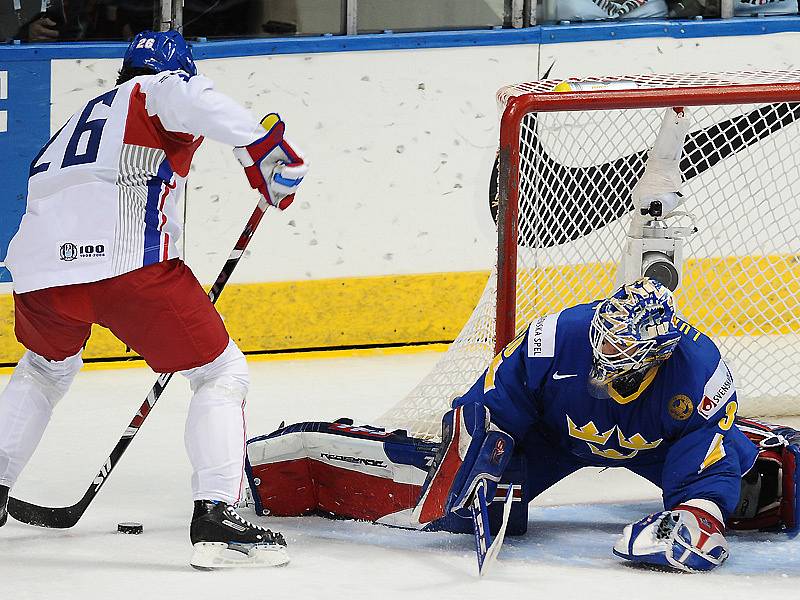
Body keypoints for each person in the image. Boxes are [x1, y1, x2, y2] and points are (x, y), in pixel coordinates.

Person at [0, 29, 308, 570]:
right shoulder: (159, 89)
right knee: (219, 372)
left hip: (39, 273)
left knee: (44, 370)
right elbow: (186, 97)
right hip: (125, 265)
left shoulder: (79, 119)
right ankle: (218, 517)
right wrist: (263, 150)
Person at [412, 277, 799, 572]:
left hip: (659, 449)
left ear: (657, 352)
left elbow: (703, 444)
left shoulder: (701, 371)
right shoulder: (555, 335)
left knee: (757, 496)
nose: (606, 353)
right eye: (606, 340)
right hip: (555, 437)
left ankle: (761, 443)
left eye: (621, 348)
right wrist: (479, 444)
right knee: (460, 514)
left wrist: (700, 509)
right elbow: (497, 393)